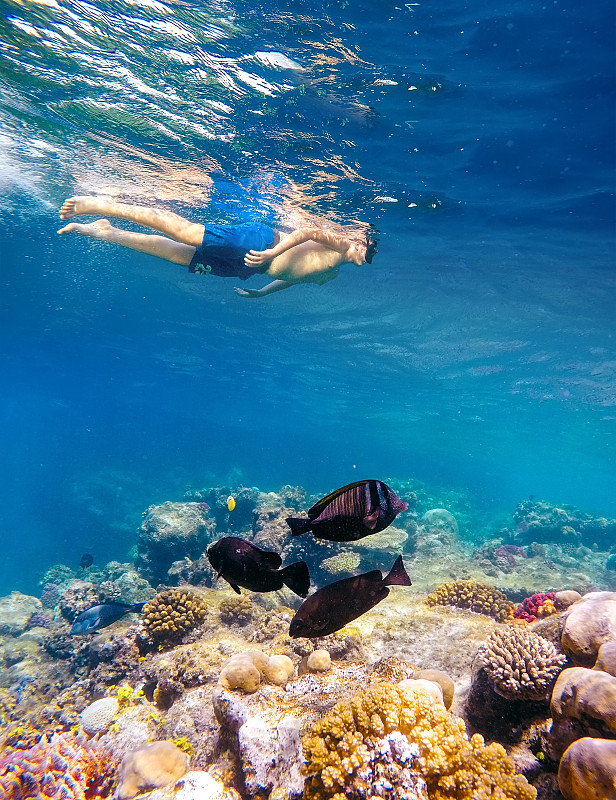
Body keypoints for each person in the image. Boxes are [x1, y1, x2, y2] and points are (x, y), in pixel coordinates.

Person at [57, 196, 378, 298]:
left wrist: (260, 293)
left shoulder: (329, 276)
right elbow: (308, 230)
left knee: (176, 256)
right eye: (369, 245)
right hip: (263, 243)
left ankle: (103, 232)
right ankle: (100, 205)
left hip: (251, 267)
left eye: (372, 252)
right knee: (187, 233)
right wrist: (271, 253)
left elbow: (292, 279)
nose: (368, 252)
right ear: (360, 240)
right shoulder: (341, 242)